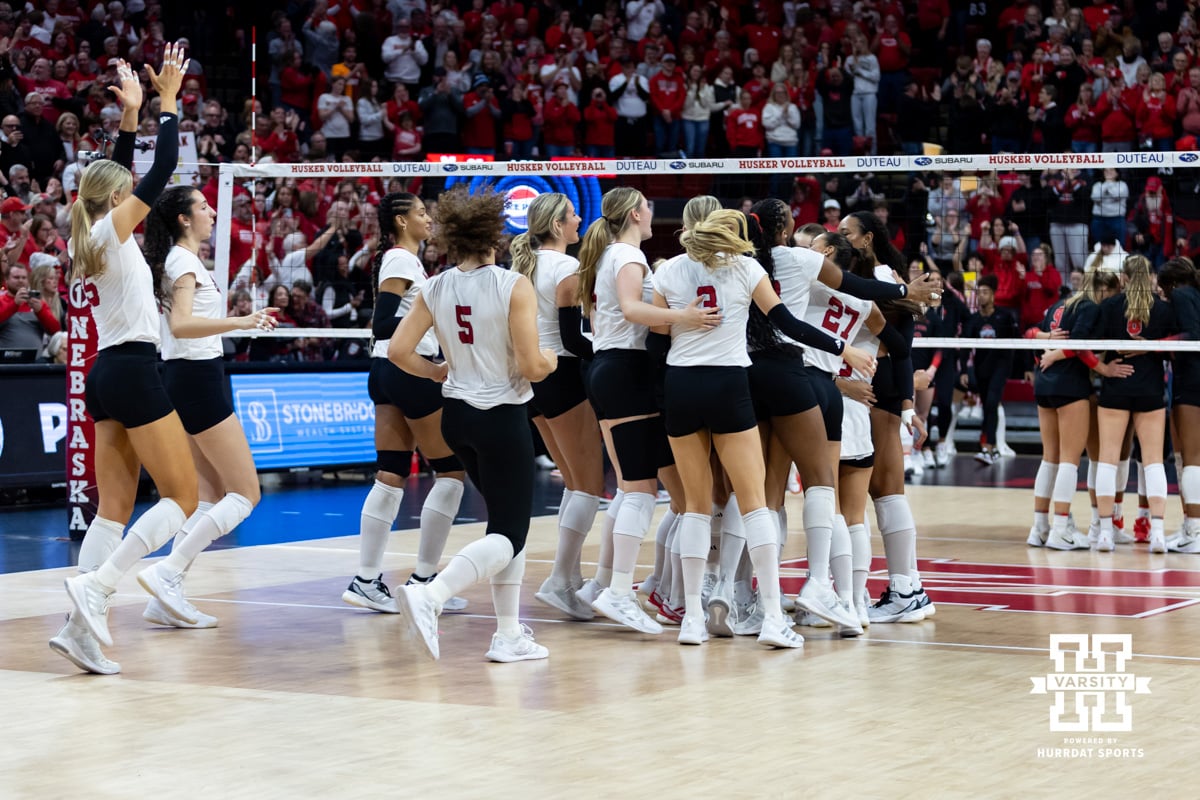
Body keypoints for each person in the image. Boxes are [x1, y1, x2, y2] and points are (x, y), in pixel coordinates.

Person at [653, 210, 870, 647]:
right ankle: (773, 617)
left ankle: (692, 618)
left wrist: (686, 326)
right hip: (728, 382)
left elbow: (658, 334)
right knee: (754, 504)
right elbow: (785, 323)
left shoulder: (671, 270)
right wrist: (841, 347)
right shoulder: (746, 266)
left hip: (680, 384)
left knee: (695, 507)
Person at [54, 46, 192, 674]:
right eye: (127, 192)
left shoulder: (91, 232)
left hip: (104, 375)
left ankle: (79, 626)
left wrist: (131, 114)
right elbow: (162, 170)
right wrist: (167, 104)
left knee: (114, 510)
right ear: (116, 200)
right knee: (181, 499)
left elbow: (127, 173)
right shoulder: (113, 230)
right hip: (134, 369)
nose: (136, 194)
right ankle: (100, 588)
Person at [391, 185, 557, 662]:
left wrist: (438, 369)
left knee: (508, 525)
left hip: (457, 417)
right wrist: (550, 360)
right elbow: (531, 366)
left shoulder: (436, 285)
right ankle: (432, 594)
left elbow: (401, 352)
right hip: (500, 416)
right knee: (509, 532)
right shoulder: (512, 284)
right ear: (493, 235)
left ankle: (507, 633)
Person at [574, 186, 715, 634]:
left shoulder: (609, 257)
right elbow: (634, 310)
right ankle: (618, 591)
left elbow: (607, 318)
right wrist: (685, 319)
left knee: (634, 487)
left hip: (610, 366)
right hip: (626, 370)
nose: (653, 212)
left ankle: (609, 586)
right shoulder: (628, 258)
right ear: (637, 213)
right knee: (637, 489)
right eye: (649, 207)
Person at [135, 184, 277, 629]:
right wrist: (241, 320)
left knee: (209, 495)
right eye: (202, 206)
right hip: (196, 378)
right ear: (183, 218)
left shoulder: (182, 261)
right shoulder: (182, 261)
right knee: (246, 492)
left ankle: (165, 594)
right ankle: (168, 572)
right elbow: (181, 324)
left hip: (190, 376)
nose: (212, 211)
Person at [343, 192, 469, 617]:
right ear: (400, 221)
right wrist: (435, 317)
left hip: (384, 371)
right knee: (451, 472)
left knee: (391, 473)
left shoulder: (405, 261)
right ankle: (425, 582)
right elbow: (381, 323)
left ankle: (365, 580)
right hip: (409, 369)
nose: (428, 218)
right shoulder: (400, 259)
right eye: (420, 213)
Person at [509, 193, 605, 620]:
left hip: (532, 381)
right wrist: (606, 355)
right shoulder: (566, 267)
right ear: (555, 226)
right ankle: (559, 578)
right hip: (562, 376)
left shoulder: (523, 267)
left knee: (573, 482)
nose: (579, 218)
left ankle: (569, 579)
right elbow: (572, 340)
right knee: (588, 484)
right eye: (572, 216)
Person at [838, 210, 933, 623]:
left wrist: (906, 399)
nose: (839, 237)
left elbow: (900, 338)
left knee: (883, 486)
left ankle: (904, 588)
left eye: (847, 233)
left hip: (875, 382)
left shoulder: (877, 273)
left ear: (867, 238)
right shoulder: (876, 273)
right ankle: (908, 585)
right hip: (879, 382)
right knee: (885, 486)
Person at [1029, 266, 1128, 550]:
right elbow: (1079, 345)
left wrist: (1048, 347)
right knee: (1069, 461)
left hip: (1044, 385)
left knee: (1050, 459)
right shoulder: (1089, 307)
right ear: (1104, 290)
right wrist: (1104, 369)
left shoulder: (1059, 305)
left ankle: (1039, 528)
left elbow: (1029, 332)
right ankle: (1061, 529)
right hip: (1070, 387)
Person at [1093, 255, 1175, 553]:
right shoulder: (1164, 309)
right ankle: (1158, 534)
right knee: (1153, 462)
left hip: (1115, 388)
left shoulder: (1110, 306)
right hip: (1150, 390)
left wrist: (1105, 367)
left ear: (1124, 278)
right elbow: (1176, 347)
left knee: (1108, 459)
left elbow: (1089, 345)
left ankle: (1104, 533)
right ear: (1149, 275)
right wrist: (1149, 346)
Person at [1157, 260, 1200, 552]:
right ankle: (1191, 527)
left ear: (1170, 284)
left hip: (1192, 381)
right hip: (1191, 379)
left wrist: (1156, 343)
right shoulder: (1195, 294)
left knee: (1191, 457)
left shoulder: (1183, 296)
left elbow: (1192, 335)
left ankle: (1194, 530)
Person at [962, 274, 1019, 465]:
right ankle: (989, 446)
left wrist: (1025, 367)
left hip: (1001, 365)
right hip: (982, 366)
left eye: (985, 293)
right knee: (986, 405)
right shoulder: (974, 319)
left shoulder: (1004, 316)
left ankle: (989, 446)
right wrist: (963, 370)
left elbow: (1018, 342)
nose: (981, 296)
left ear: (993, 295)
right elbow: (964, 347)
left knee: (992, 403)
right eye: (979, 293)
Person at [0, 261, 60, 358]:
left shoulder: (38, 303)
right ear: (6, 280)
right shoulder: (1, 301)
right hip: (6, 364)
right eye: (16, 277)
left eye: (24, 278)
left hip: (34, 363)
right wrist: (14, 305)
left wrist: (40, 311)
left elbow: (55, 330)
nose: (20, 280)